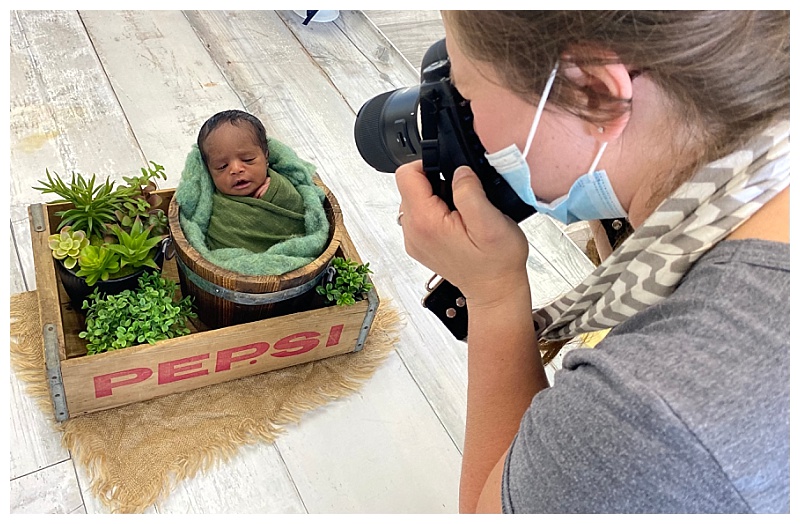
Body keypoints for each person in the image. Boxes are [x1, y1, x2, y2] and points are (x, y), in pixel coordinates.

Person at [395, 11, 789, 513]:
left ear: (593, 95)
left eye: (466, 94)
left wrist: (493, 292)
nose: (459, 112)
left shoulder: (657, 415)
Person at [197, 109, 306, 252]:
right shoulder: (211, 201)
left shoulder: (280, 185)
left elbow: (301, 213)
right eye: (222, 166)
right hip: (226, 266)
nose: (235, 169)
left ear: (266, 157)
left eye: (248, 160)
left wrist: (278, 190)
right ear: (209, 171)